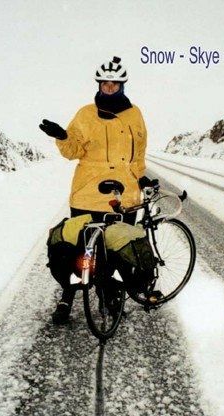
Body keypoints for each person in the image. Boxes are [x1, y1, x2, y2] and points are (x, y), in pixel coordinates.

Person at [40, 56, 152, 324]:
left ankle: (107, 293)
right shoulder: (85, 114)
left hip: (123, 195)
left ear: (122, 85)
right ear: (99, 85)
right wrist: (62, 137)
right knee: (79, 248)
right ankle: (68, 294)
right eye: (105, 84)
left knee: (114, 249)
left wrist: (142, 178)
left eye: (114, 84)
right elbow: (74, 150)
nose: (109, 89)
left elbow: (138, 155)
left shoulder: (135, 114)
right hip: (89, 192)